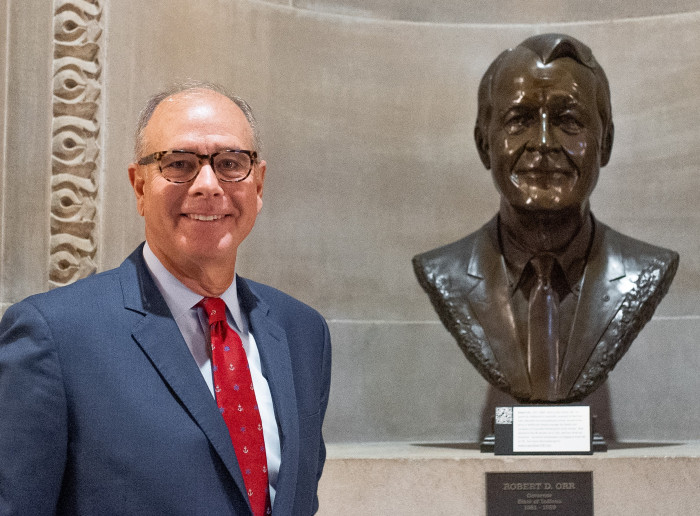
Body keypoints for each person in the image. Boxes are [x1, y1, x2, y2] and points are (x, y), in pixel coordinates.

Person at [0, 82, 331, 515]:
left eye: (231, 163)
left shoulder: (302, 332)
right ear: (139, 186)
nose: (208, 185)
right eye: (179, 164)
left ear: (259, 184)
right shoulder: (55, 336)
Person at [413, 34, 678, 403]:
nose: (542, 143)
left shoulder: (646, 268)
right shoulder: (445, 271)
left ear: (607, 143)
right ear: (483, 144)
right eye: (518, 120)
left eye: (568, 121)